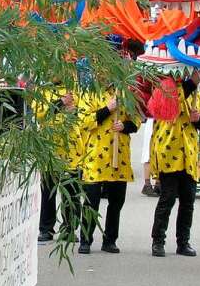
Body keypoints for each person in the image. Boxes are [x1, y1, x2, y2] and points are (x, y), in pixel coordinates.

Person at [148, 72, 200, 257]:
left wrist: (199, 119)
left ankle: (183, 242)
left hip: (189, 156)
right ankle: (158, 241)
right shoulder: (165, 88)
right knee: (167, 199)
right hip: (169, 152)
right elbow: (174, 99)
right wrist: (192, 82)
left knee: (188, 202)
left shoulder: (196, 95)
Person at [77, 87, 140, 254]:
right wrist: (108, 109)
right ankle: (85, 239)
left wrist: (125, 125)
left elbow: (137, 121)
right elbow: (84, 121)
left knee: (117, 201)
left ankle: (110, 239)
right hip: (96, 157)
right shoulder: (89, 92)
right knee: (91, 201)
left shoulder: (126, 93)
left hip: (119, 156)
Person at [33, 84, 82, 242]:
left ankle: (69, 228)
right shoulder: (42, 91)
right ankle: (46, 228)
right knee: (48, 191)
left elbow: (86, 115)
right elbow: (41, 114)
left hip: (71, 148)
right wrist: (60, 102)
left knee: (71, 191)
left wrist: (74, 111)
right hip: (50, 147)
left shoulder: (76, 89)